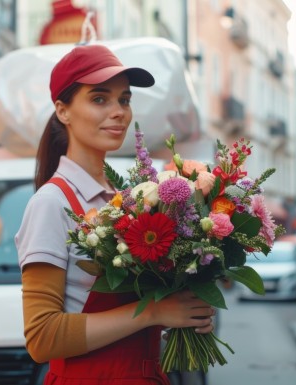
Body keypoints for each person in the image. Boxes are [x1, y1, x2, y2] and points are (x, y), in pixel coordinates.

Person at [15, 44, 216, 385]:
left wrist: (183, 311)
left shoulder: (128, 198)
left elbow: (130, 313)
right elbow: (42, 337)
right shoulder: (51, 202)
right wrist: (152, 313)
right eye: (99, 99)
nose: (119, 111)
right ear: (63, 111)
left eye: (124, 99)